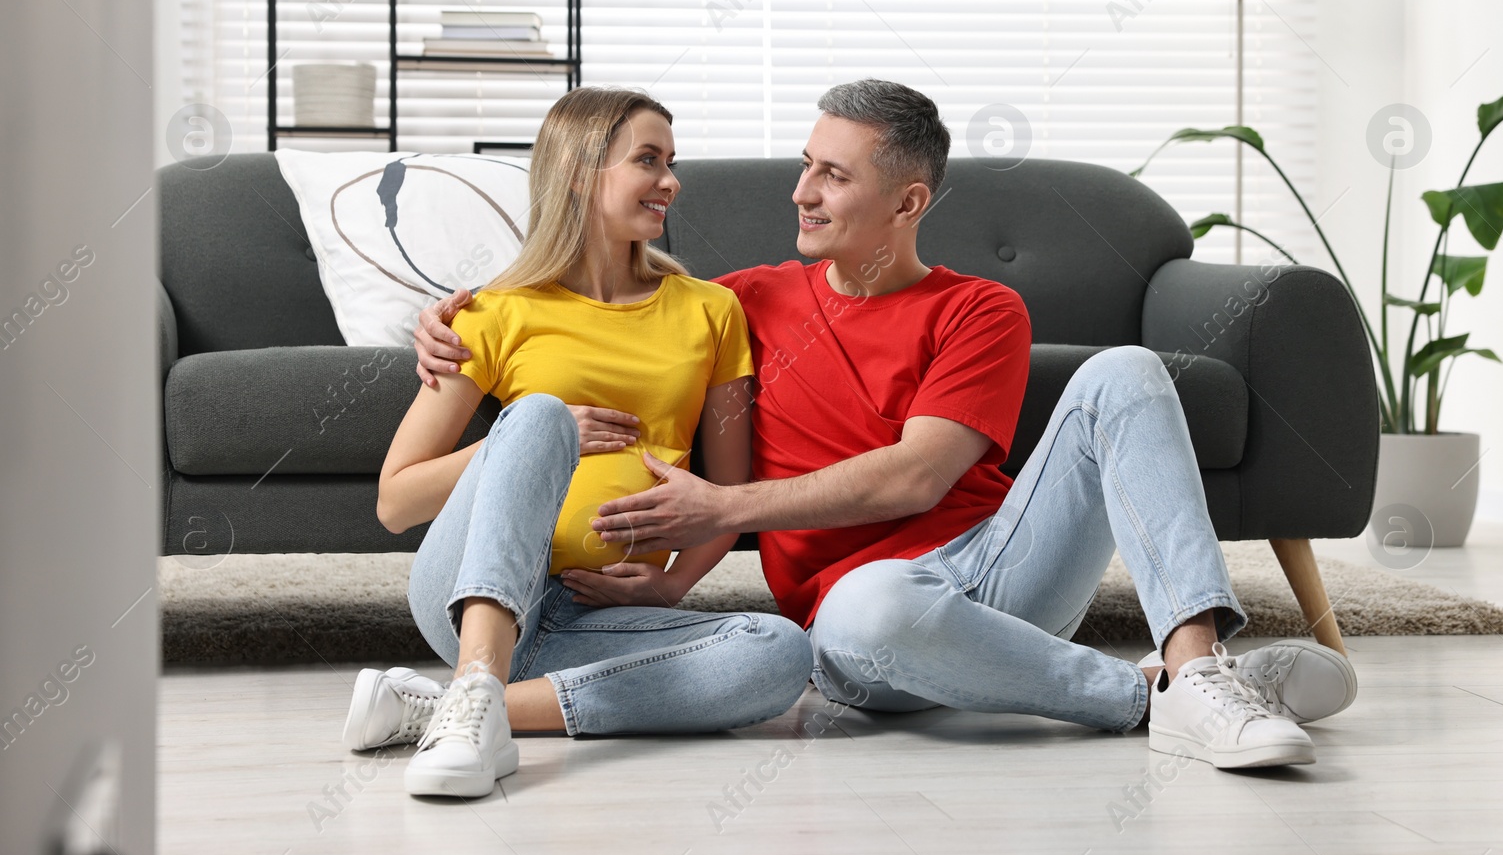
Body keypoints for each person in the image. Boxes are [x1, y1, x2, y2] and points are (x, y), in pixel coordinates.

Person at [413, 79, 1358, 772]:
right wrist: (436, 323)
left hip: (1002, 569)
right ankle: (1158, 695)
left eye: (832, 175)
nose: (802, 192)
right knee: (862, 605)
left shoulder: (981, 309)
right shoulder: (738, 304)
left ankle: (1193, 663)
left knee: (1126, 370)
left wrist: (719, 508)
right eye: (804, 167)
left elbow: (916, 478)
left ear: (908, 202)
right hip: (866, 624)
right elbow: (598, 310)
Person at [347, 86, 813, 799]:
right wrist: (537, 431)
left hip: (600, 621)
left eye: (672, 161)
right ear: (578, 172)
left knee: (779, 652)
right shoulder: (492, 313)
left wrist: (673, 583)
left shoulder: (710, 310)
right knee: (536, 416)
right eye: (648, 160)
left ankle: (461, 709)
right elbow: (394, 500)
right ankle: (475, 678)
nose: (671, 181)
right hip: (469, 599)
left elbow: (726, 496)